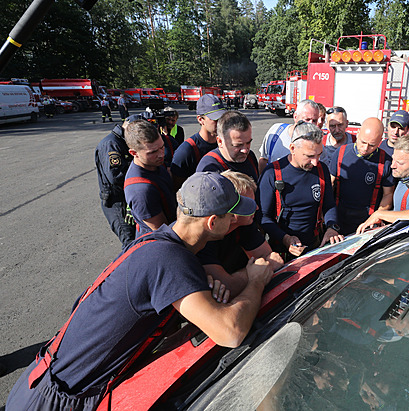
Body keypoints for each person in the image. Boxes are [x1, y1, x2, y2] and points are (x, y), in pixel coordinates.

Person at [6, 172, 273, 411]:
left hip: (43, 382)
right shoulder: (170, 261)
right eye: (232, 215)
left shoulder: (157, 243)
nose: (238, 220)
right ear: (213, 223)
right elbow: (230, 332)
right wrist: (255, 281)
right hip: (58, 399)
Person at [258, 121, 343, 258]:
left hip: (315, 246)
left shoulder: (322, 170)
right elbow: (263, 217)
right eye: (309, 156)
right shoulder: (272, 173)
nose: (315, 162)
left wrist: (332, 227)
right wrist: (285, 238)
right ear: (292, 148)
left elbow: (329, 204)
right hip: (282, 252)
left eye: (319, 155)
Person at [197, 171, 284, 296]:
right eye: (249, 204)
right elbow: (228, 287)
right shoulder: (205, 238)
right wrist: (255, 273)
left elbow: (271, 257)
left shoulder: (245, 224)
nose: (257, 208)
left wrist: (250, 273)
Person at [356, 135, 409, 234]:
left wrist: (380, 214)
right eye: (393, 159)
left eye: (400, 163)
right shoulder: (406, 175)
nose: (392, 166)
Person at [329, 117, 394, 235]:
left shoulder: (386, 161)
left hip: (367, 224)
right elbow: (330, 186)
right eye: (363, 142)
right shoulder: (340, 153)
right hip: (339, 221)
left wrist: (378, 215)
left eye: (372, 145)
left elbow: (388, 194)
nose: (365, 148)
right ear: (358, 133)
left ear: (380, 141)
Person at [95, 115, 143, 248]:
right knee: (130, 242)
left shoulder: (124, 140)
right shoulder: (111, 144)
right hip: (117, 202)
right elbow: (115, 176)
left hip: (126, 198)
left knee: (138, 240)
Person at [123, 120, 177, 238]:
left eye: (162, 147)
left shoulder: (154, 164)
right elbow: (163, 231)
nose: (161, 154)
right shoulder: (141, 190)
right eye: (152, 152)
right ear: (134, 153)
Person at [171, 94, 226, 191]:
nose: (221, 122)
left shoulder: (226, 143)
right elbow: (177, 190)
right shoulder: (185, 152)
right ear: (200, 120)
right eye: (215, 119)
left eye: (222, 118)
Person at [258, 99, 321, 174]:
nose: (310, 124)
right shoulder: (276, 131)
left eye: (314, 120)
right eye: (307, 119)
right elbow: (264, 159)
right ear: (295, 117)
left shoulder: (318, 144)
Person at [196, 111, 259, 181]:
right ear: (220, 141)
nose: (245, 150)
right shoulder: (209, 168)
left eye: (248, 143)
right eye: (237, 145)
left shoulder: (250, 157)